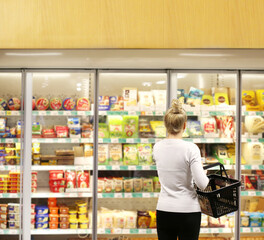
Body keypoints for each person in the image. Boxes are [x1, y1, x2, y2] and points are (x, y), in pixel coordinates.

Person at [153, 99, 209, 240]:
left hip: (164, 210)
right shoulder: (191, 148)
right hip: (188, 211)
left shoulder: (157, 147)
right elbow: (202, 184)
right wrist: (204, 173)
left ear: (166, 125)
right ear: (184, 125)